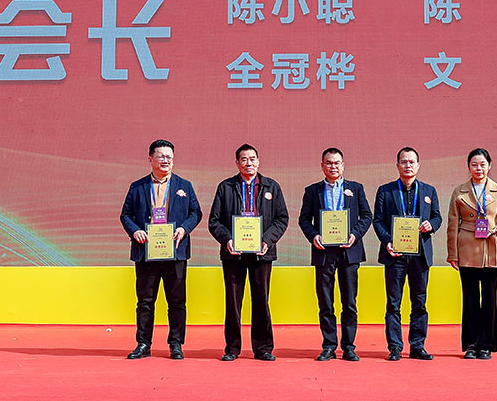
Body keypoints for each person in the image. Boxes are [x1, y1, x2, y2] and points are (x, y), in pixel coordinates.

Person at [119, 139, 202, 360]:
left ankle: (176, 344)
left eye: (169, 157)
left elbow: (196, 213)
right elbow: (125, 215)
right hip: (146, 252)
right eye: (161, 156)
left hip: (175, 252)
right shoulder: (137, 187)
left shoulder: (185, 185)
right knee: (145, 301)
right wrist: (135, 231)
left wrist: (184, 228)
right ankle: (143, 344)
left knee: (177, 301)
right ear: (150, 159)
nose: (166, 160)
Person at [207, 144, 290, 361]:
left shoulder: (272, 187)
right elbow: (214, 221)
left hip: (262, 253)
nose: (248, 163)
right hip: (233, 254)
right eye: (244, 159)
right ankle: (232, 348)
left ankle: (263, 348)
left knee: (261, 300)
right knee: (233, 301)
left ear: (258, 162)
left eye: (252, 159)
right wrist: (227, 240)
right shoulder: (225, 187)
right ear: (237, 163)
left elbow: (282, 219)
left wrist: (267, 240)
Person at [298, 147, 373, 361]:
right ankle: (329, 345)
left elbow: (366, 216)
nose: (333, 166)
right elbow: (304, 219)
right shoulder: (312, 191)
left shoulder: (356, 188)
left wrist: (355, 235)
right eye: (329, 163)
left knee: (349, 302)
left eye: (337, 163)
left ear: (343, 165)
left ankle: (349, 346)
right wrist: (313, 235)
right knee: (325, 302)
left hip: (349, 252)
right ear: (322, 166)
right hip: (324, 253)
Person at [372, 147, 442, 361]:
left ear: (418, 165)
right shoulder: (385, 191)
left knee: (419, 302)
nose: (408, 165)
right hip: (395, 255)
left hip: (420, 256)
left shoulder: (429, 191)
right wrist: (388, 241)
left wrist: (431, 225)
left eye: (412, 162)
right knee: (393, 303)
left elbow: (437, 217)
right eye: (404, 161)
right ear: (397, 165)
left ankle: (417, 346)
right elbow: (378, 221)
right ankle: (395, 346)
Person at [447, 148, 497, 360]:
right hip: (466, 250)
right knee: (470, 299)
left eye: (483, 164)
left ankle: (487, 345)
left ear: (489, 166)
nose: (479, 168)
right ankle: (471, 345)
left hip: (492, 250)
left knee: (490, 299)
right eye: (474, 164)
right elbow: (452, 225)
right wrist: (452, 254)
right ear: (468, 167)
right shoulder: (459, 191)